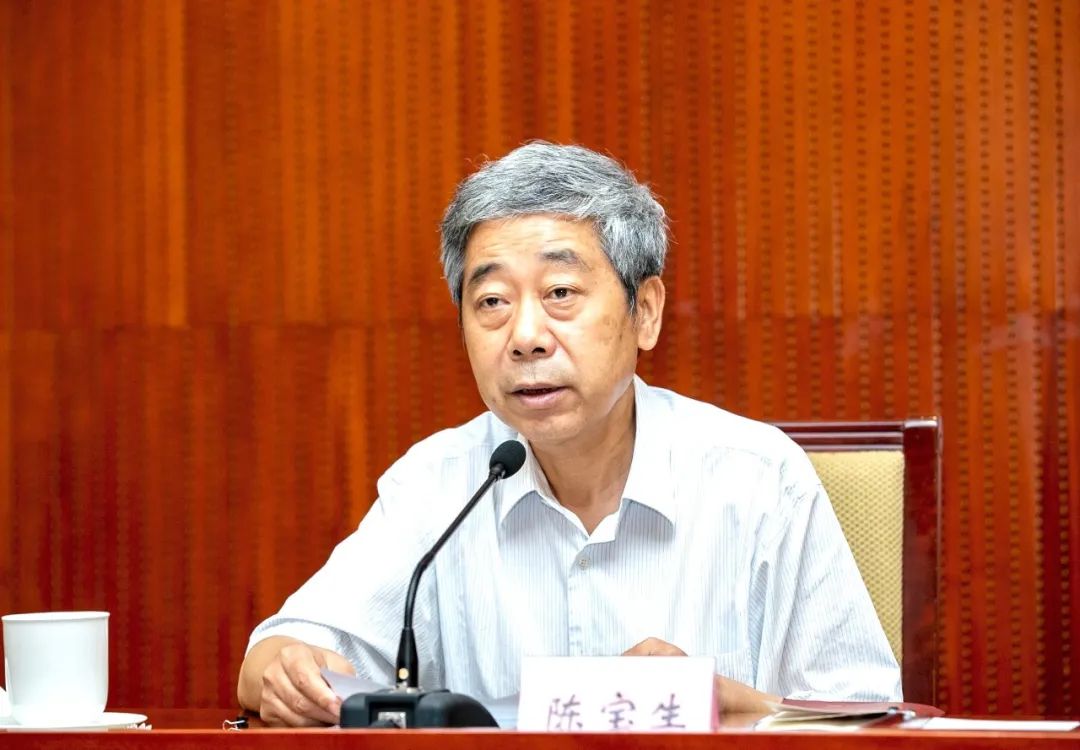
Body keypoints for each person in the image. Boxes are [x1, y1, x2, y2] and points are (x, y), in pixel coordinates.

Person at [237, 142, 901, 727]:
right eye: (492, 302)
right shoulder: (438, 485)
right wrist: (289, 673)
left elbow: (871, 722)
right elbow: (270, 661)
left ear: (645, 312)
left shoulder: (758, 478)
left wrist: (723, 705)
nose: (525, 337)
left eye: (560, 293)